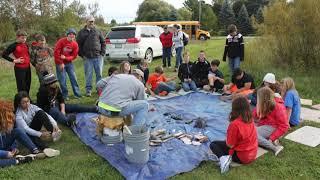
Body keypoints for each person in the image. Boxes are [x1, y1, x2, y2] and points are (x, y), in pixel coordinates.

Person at [210, 96, 258, 173]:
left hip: (242, 156)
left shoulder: (234, 124)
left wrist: (228, 139)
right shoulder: (250, 119)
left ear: (234, 109)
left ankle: (224, 160)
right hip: (252, 153)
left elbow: (230, 145)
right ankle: (226, 158)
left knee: (213, 144)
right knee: (222, 143)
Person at [0, 100, 40, 167]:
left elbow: (12, 134)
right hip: (3, 152)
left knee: (17, 131)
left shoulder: (7, 122)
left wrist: (13, 147)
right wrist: (5, 154)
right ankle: (18, 160)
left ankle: (35, 150)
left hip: (3, 146)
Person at [253, 87, 289, 156]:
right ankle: (269, 141)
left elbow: (284, 126)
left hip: (274, 128)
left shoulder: (278, 107)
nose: (257, 99)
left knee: (252, 134)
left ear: (263, 98)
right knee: (248, 132)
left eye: (258, 98)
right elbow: (254, 115)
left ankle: (274, 148)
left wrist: (271, 138)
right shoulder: (264, 104)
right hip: (265, 125)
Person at [77, 15, 106, 97]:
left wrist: (102, 54)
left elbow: (103, 42)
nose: (92, 23)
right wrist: (82, 55)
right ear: (86, 22)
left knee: (99, 74)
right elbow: (78, 45)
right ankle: (88, 90)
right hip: (87, 58)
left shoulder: (97, 31)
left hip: (98, 57)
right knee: (88, 75)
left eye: (93, 21)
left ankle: (99, 89)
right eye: (90, 21)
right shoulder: (81, 32)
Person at [54, 28, 81, 100]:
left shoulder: (75, 44)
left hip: (69, 63)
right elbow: (56, 53)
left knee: (73, 78)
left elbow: (74, 56)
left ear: (75, 36)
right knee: (62, 79)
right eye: (70, 34)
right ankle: (65, 95)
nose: (71, 36)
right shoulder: (61, 41)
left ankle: (77, 94)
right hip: (59, 63)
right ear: (67, 35)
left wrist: (66, 58)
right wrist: (61, 63)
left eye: (73, 34)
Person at [2, 30, 31, 94]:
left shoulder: (26, 45)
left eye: (25, 38)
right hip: (19, 69)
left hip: (27, 67)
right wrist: (14, 60)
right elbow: (4, 55)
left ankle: (27, 99)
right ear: (17, 37)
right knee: (21, 86)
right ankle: (21, 100)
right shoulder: (13, 45)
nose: (24, 39)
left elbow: (27, 55)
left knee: (27, 84)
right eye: (22, 38)